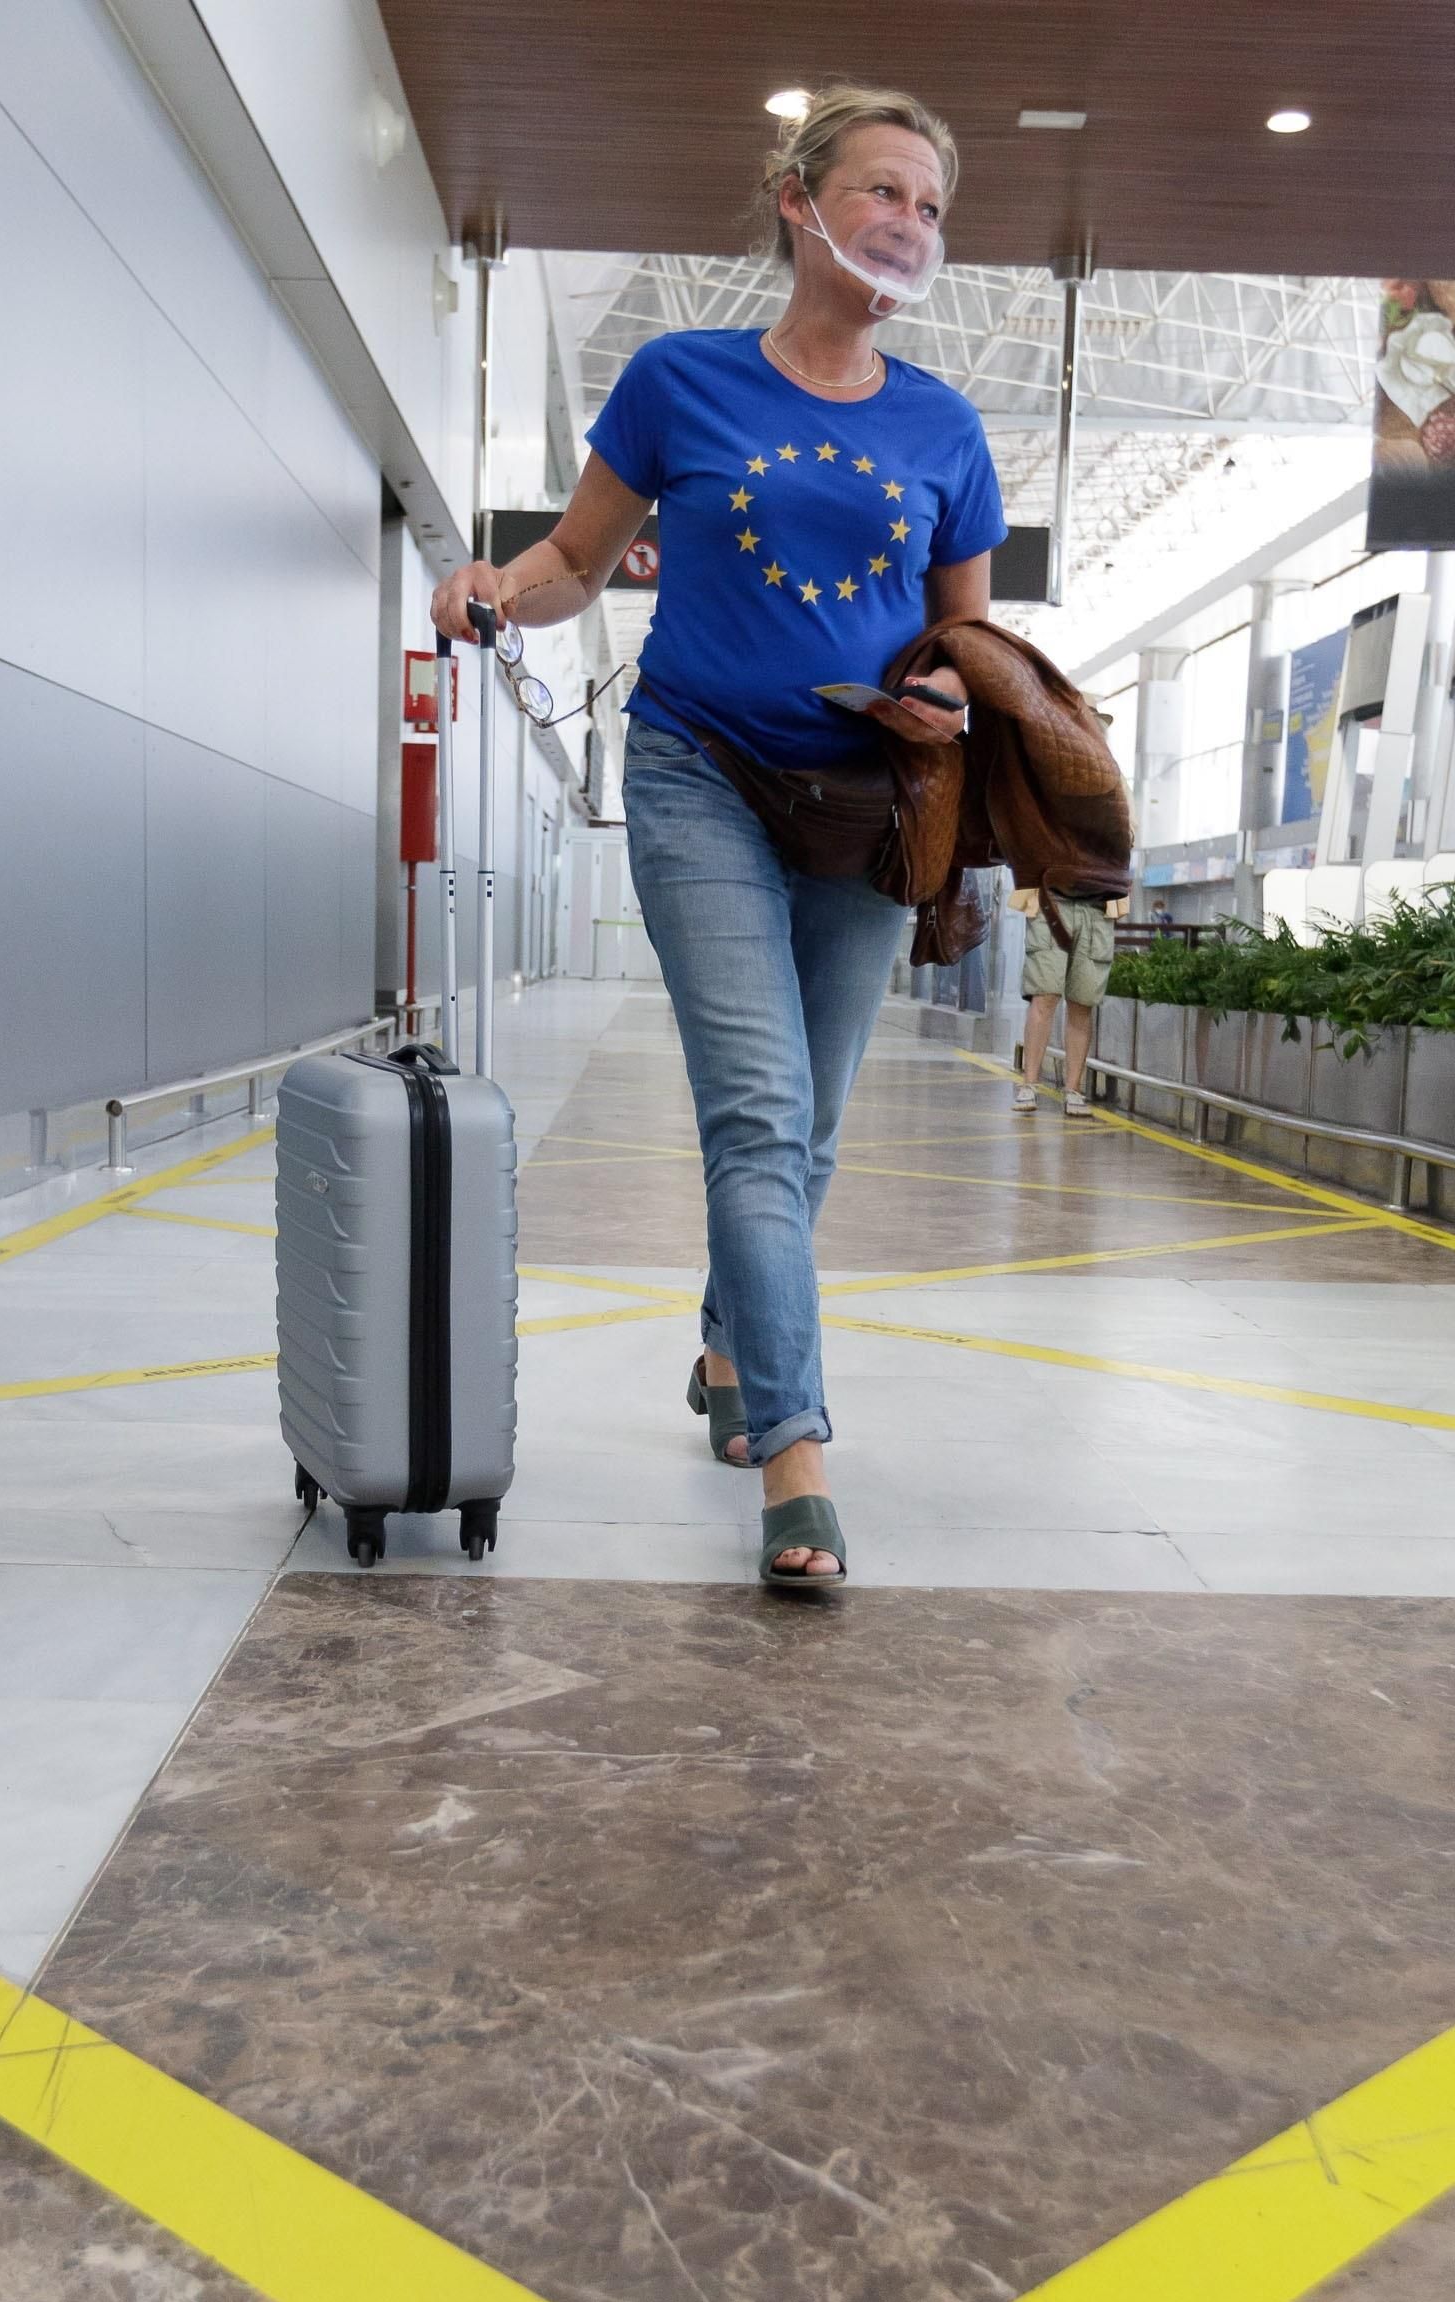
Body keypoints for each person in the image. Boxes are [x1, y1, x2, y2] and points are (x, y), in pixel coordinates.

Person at [432, 83, 1002, 1586]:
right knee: (756, 1111)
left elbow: (967, 637)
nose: (909, 224)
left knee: (806, 1124)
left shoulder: (946, 427)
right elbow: (575, 556)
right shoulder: (681, 379)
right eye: (884, 190)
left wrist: (945, 692)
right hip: (699, 774)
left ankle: (730, 1346)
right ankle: (796, 1454)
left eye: (932, 206)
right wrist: (499, 583)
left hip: (873, 805)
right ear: (799, 202)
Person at [1010, 724, 1128, 1113]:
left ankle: (1073, 1089)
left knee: (1082, 1000)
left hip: (1097, 902)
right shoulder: (1051, 778)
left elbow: (1127, 836)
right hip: (1053, 899)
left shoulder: (1115, 785)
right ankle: (1030, 1084)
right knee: (1045, 995)